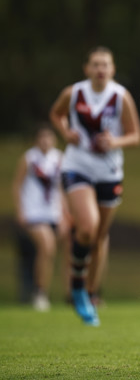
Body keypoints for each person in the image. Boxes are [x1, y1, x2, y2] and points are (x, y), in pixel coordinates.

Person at [49, 46, 140, 326]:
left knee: (99, 237)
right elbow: (56, 114)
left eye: (106, 64)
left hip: (110, 172)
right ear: (86, 68)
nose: (100, 69)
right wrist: (66, 132)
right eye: (96, 64)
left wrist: (114, 142)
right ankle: (77, 288)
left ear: (112, 70)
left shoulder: (120, 97)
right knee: (86, 227)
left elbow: (134, 135)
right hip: (77, 166)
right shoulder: (74, 93)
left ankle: (90, 295)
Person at [12, 124, 71, 311]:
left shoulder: (59, 159)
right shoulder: (29, 158)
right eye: (42, 137)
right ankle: (40, 293)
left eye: (49, 137)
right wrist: (20, 210)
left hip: (53, 213)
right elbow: (17, 185)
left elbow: (60, 189)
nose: (45, 141)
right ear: (37, 140)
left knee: (56, 250)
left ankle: (69, 292)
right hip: (33, 212)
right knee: (47, 246)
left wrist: (65, 213)